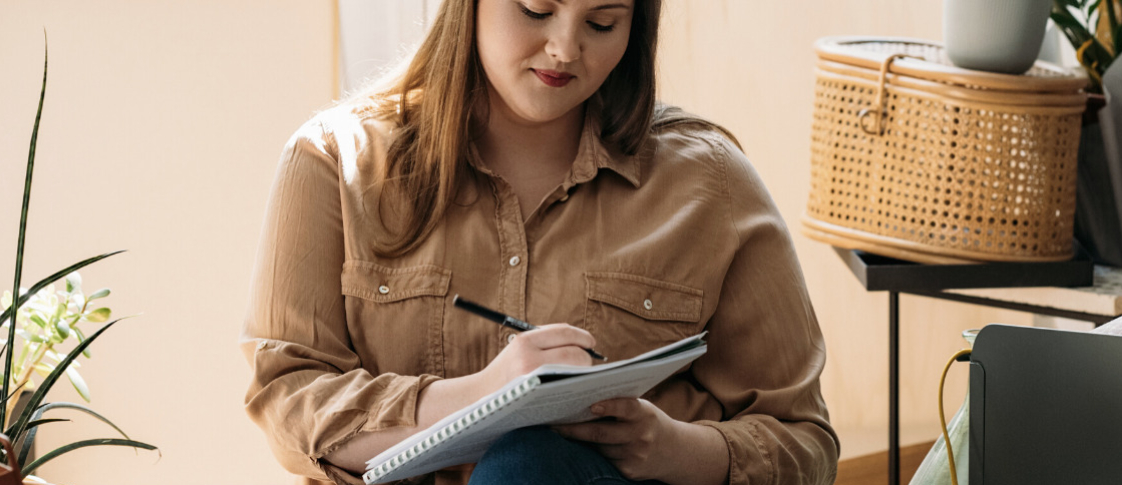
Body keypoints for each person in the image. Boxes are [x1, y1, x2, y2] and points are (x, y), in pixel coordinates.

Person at [242, 0, 837, 483]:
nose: (565, 48)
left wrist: (673, 448)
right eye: (535, 9)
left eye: (602, 22)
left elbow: (803, 440)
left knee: (530, 467)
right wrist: (478, 398)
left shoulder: (709, 184)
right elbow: (287, 395)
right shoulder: (332, 160)